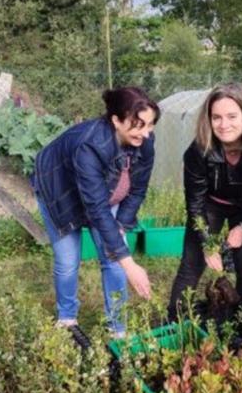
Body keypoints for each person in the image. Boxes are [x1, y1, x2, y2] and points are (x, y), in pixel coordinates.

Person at [31, 87, 159, 337]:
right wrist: (130, 263)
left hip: (102, 195)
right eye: (138, 125)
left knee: (113, 259)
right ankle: (67, 318)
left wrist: (121, 224)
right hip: (59, 192)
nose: (145, 133)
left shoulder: (145, 140)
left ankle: (117, 327)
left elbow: (138, 189)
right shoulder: (90, 145)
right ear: (116, 120)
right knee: (68, 261)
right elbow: (97, 209)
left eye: (150, 125)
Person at [167, 83, 242, 320]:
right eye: (217, 117)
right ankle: (175, 323)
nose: (224, 125)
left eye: (232, 116)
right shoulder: (198, 151)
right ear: (209, 119)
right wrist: (206, 243)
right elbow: (194, 203)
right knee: (191, 265)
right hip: (210, 205)